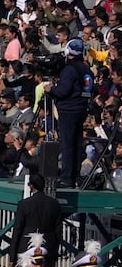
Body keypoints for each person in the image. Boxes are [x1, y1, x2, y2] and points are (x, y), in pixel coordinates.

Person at [48, 38, 91, 186]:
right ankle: (76, 176)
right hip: (81, 109)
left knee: (67, 144)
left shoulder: (69, 70)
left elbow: (62, 91)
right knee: (77, 143)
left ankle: (66, 178)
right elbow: (89, 89)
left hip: (68, 110)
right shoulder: (86, 68)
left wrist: (51, 89)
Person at [8, 172, 63, 259]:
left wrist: (12, 256)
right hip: (47, 250)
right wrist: (54, 255)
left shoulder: (24, 204)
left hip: (26, 250)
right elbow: (58, 232)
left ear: (31, 186)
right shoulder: (54, 204)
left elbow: (17, 230)